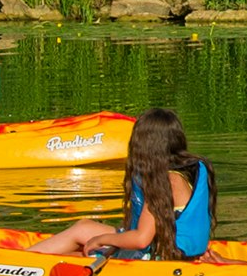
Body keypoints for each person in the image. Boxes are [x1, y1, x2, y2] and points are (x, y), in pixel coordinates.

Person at [27, 107, 217, 262]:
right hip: (166, 248)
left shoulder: (165, 181)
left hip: (165, 259)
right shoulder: (183, 171)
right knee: (84, 227)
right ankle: (25, 258)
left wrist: (102, 239)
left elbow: (142, 239)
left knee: (75, 256)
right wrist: (112, 240)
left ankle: (22, 265)